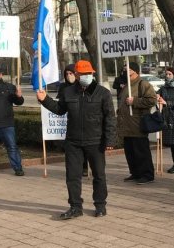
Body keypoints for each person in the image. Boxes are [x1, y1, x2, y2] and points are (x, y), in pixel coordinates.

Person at [37, 60, 116, 219]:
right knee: (72, 176)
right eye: (83, 74)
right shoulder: (69, 92)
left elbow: (110, 118)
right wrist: (45, 99)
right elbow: (59, 110)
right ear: (77, 75)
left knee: (99, 175)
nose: (86, 76)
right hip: (73, 142)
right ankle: (75, 207)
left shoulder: (103, 93)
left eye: (89, 73)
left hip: (96, 141)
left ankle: (100, 205)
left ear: (92, 73)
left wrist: (110, 141)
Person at [117, 61, 157, 185]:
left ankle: (147, 174)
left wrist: (135, 101)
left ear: (135, 71)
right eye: (124, 69)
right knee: (130, 152)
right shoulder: (126, 86)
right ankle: (135, 173)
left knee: (141, 151)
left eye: (128, 69)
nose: (125, 72)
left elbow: (152, 100)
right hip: (126, 125)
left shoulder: (143, 84)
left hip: (138, 124)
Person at [0, 66, 24, 177]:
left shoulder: (9, 87)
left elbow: (19, 102)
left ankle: (18, 169)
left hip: (7, 124)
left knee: (12, 147)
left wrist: (19, 96)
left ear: (1, 75)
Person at [57, 64, 89, 177]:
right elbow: (60, 104)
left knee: (83, 147)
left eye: (71, 73)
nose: (69, 76)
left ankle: (85, 167)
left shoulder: (82, 86)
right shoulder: (63, 87)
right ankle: (76, 169)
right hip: (69, 121)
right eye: (67, 74)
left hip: (82, 121)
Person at [156, 67, 174, 174]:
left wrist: (166, 103)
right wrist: (157, 97)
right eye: (166, 74)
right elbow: (157, 96)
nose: (167, 76)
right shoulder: (163, 87)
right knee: (171, 143)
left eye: (169, 74)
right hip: (167, 116)